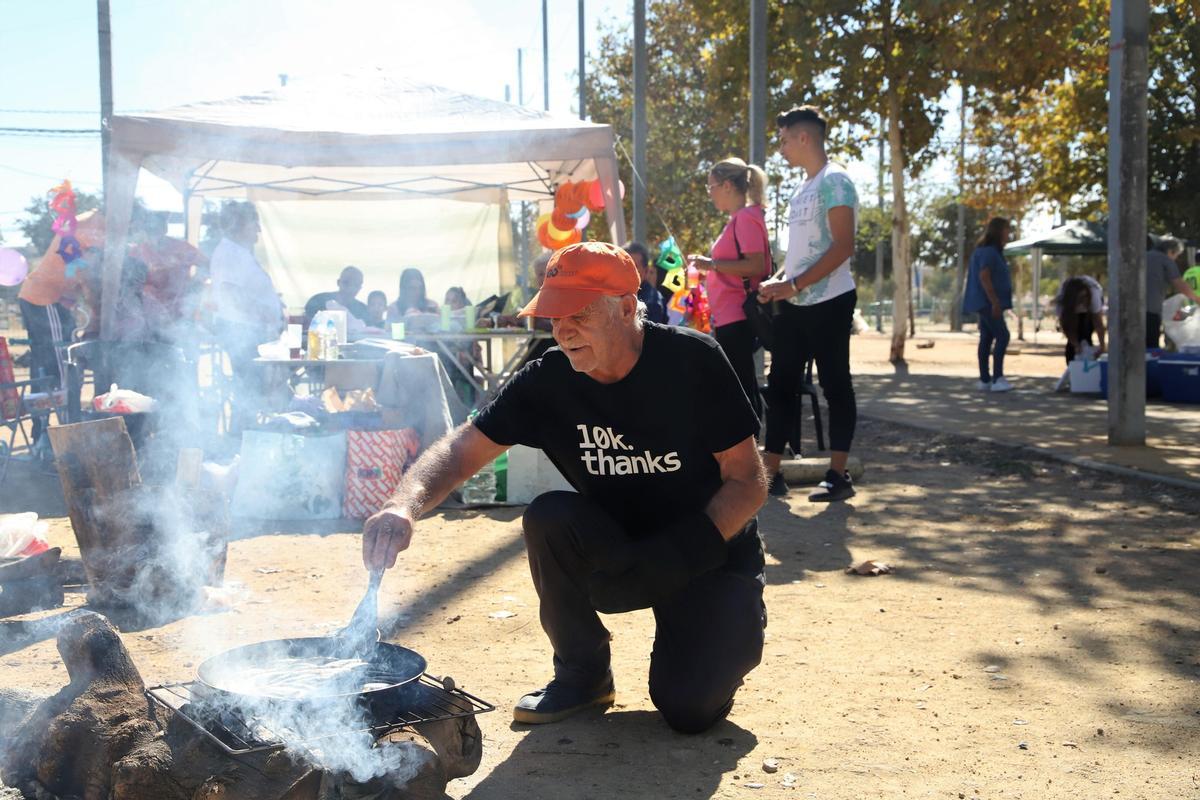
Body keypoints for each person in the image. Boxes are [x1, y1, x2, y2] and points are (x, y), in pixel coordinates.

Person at [362, 241, 767, 733]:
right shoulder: (546, 381)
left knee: (689, 708)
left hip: (708, 554)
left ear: (624, 308)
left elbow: (747, 481)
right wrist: (402, 505)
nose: (562, 329)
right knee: (550, 517)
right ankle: (583, 673)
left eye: (578, 313)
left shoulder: (692, 361)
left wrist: (678, 554)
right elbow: (461, 450)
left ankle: (712, 633)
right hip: (623, 551)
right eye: (554, 316)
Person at [757, 106, 859, 501]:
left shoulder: (835, 180)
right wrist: (779, 280)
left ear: (803, 137)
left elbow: (843, 245)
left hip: (831, 300)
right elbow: (800, 253)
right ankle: (770, 475)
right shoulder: (803, 187)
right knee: (780, 384)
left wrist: (795, 284)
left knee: (836, 383)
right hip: (795, 303)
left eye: (784, 140)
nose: (781, 148)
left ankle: (837, 475)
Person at [687, 158, 772, 420]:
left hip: (738, 316)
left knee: (742, 385)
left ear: (726, 186)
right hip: (729, 316)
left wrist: (711, 265)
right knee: (738, 383)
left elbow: (756, 265)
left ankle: (751, 446)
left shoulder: (746, 217)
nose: (709, 193)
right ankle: (749, 445)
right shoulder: (738, 218)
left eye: (710, 187)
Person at [208, 202, 285, 432]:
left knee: (253, 389)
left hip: (249, 330)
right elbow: (230, 292)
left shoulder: (239, 252)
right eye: (254, 223)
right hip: (240, 331)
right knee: (248, 391)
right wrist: (263, 312)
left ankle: (247, 438)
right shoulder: (229, 253)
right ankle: (242, 441)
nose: (258, 230)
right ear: (239, 224)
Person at [132, 210, 208, 342]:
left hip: (182, 314)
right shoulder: (137, 252)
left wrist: (196, 285)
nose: (154, 234)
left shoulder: (182, 248)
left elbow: (208, 265)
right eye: (150, 229)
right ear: (145, 231)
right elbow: (132, 282)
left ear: (165, 229)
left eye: (158, 228)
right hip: (151, 318)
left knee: (184, 355)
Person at [961, 218, 1015, 392]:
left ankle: (985, 379)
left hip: (983, 302)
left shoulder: (986, 251)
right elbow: (985, 276)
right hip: (988, 303)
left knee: (986, 337)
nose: (1009, 233)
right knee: (1003, 335)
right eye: (1007, 230)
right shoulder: (989, 253)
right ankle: (997, 378)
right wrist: (994, 302)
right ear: (999, 231)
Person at [1146, 237, 1200, 348]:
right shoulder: (1165, 260)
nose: (1176, 259)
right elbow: (1179, 284)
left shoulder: (1144, 256)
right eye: (1177, 255)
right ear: (1171, 251)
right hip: (1151, 308)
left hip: (1187, 307)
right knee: (1151, 345)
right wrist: (1197, 299)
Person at [1054, 274, 1106, 364]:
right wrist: (1075, 344)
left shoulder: (1094, 295)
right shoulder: (1062, 302)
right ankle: (1073, 360)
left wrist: (1102, 346)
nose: (1083, 302)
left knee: (1086, 331)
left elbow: (1099, 324)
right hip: (1070, 311)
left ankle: (1088, 357)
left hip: (1093, 299)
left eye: (1085, 298)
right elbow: (1065, 326)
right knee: (1074, 342)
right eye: (1080, 299)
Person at [304, 266, 370, 326]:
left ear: (360, 287)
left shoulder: (363, 310)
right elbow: (308, 328)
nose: (351, 288)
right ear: (338, 282)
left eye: (356, 284)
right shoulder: (318, 301)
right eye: (346, 283)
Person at [625, 241, 668, 325]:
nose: (627, 270)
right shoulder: (613, 294)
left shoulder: (653, 301)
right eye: (624, 264)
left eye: (634, 266)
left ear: (646, 271)